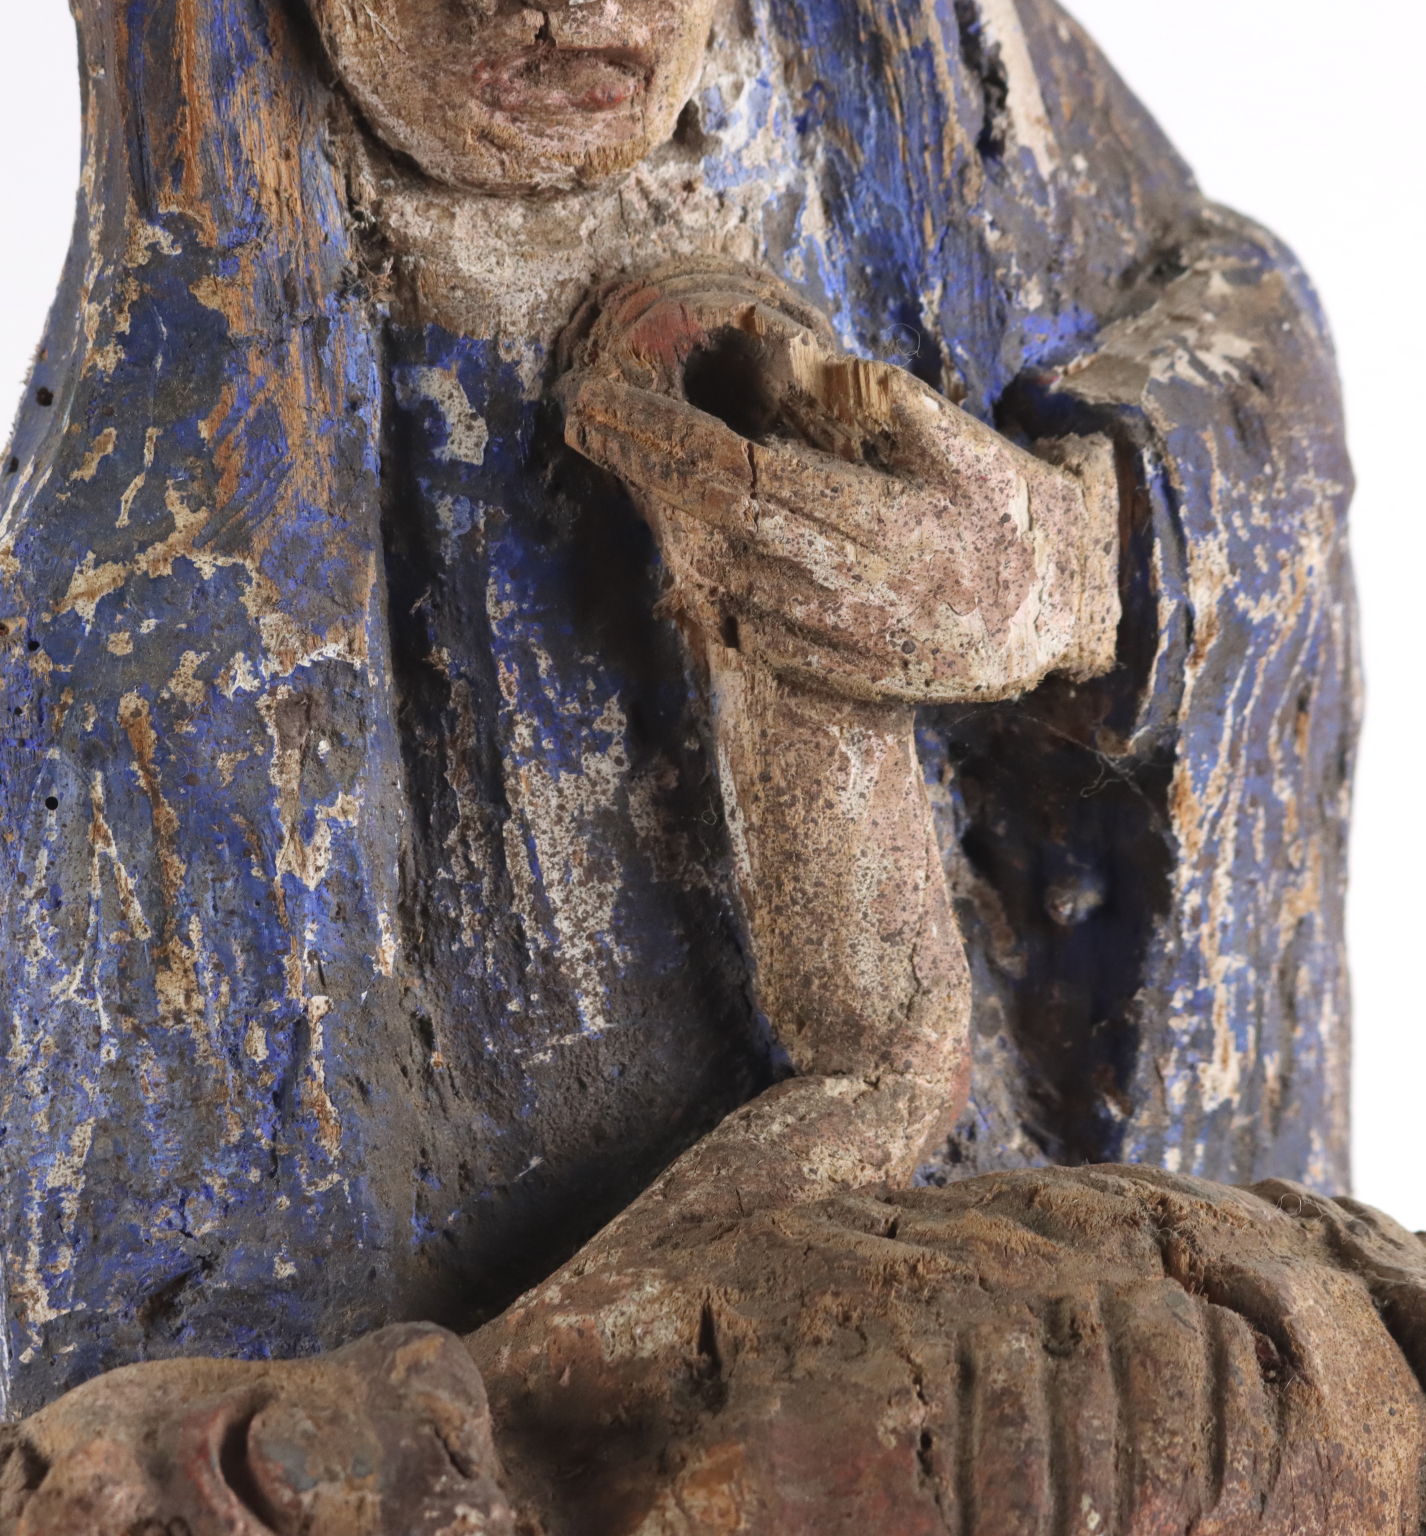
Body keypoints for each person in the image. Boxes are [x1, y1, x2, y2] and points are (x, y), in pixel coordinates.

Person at [0, 0, 1356, 1421]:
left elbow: (1237, 316)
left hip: (1070, 1324)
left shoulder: (889, 56)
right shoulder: (128, 654)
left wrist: (1080, 565)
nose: (581, 16)